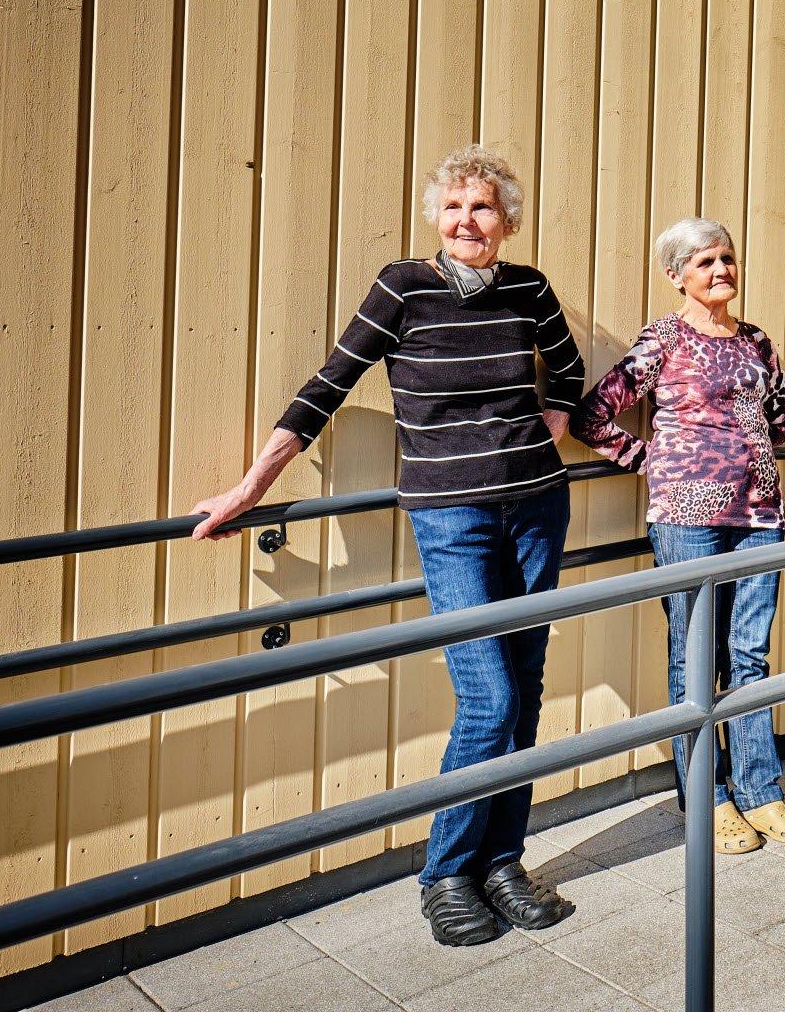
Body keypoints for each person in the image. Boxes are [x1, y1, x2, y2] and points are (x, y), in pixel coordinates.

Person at [191, 145, 582, 946]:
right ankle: (445, 873)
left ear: (507, 221)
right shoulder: (404, 287)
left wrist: (538, 440)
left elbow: (569, 376)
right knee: (491, 697)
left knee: (527, 686)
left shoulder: (530, 289)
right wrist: (248, 489)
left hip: (537, 505)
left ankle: (502, 862)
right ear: (436, 218)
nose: (467, 220)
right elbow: (327, 385)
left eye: (483, 207)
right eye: (454, 207)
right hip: (452, 518)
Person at [571, 218, 785, 853]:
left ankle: (761, 792)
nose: (720, 271)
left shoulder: (758, 342)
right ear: (676, 275)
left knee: (749, 654)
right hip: (686, 516)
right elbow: (592, 416)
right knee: (693, 658)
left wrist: (747, 440)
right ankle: (706, 797)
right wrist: (649, 458)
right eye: (705, 262)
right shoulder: (663, 340)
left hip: (760, 513)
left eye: (727, 259)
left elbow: (784, 418)